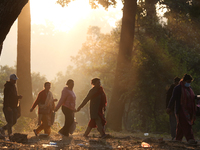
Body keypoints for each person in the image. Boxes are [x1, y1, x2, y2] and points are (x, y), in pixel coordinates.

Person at [166, 74, 197, 144]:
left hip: (188, 110)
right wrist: (169, 107)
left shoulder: (189, 88)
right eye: (188, 81)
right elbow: (173, 98)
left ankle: (178, 139)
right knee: (186, 124)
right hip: (181, 109)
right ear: (184, 81)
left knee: (181, 125)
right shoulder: (178, 88)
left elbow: (191, 97)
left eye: (190, 82)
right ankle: (190, 139)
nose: (189, 83)